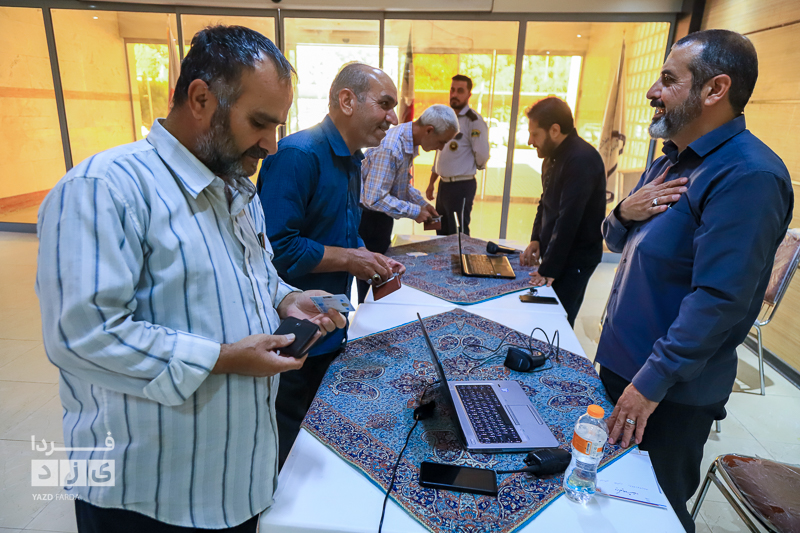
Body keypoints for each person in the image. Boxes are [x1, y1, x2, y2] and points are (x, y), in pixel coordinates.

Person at [35, 26, 347, 533]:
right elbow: (84, 336)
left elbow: (256, 274)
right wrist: (223, 358)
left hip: (236, 482)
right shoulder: (104, 189)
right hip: (147, 495)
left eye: (277, 126)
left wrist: (288, 299)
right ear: (201, 98)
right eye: (259, 123)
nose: (271, 144)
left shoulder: (237, 188)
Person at [596, 30, 793, 532]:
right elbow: (615, 240)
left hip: (666, 394)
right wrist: (623, 210)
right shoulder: (670, 160)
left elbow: (720, 300)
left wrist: (649, 384)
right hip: (624, 369)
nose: (652, 91)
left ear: (714, 89)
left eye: (668, 79)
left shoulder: (747, 176)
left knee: (650, 516)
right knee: (605, 506)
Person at [257, 63, 406, 466]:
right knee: (287, 437)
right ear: (347, 101)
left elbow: (344, 231)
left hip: (331, 322)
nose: (393, 118)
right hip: (293, 328)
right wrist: (350, 257)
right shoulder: (298, 156)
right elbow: (275, 248)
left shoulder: (354, 160)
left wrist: (368, 255)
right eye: (385, 104)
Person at [356, 104, 459, 302]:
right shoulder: (391, 146)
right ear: (429, 130)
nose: (441, 148)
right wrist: (414, 211)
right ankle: (366, 317)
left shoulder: (408, 142)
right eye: (441, 142)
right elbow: (374, 198)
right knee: (371, 281)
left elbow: (400, 185)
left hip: (379, 219)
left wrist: (422, 204)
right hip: (367, 221)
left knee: (381, 275)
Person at [519, 97, 606, 327]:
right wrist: (536, 239)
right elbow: (545, 201)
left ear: (555, 130)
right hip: (558, 253)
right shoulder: (552, 157)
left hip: (575, 258)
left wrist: (549, 268)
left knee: (558, 322)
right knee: (543, 317)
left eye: (535, 134)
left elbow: (569, 218)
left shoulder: (581, 160)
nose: (530, 141)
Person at [425, 74, 490, 235]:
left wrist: (474, 166)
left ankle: (461, 254)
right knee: (440, 230)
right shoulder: (445, 119)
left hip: (461, 186)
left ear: (469, 94)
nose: (454, 94)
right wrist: (432, 182)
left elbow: (482, 153)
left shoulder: (473, 121)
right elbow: (440, 153)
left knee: (458, 233)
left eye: (460, 91)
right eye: (452, 90)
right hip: (443, 186)